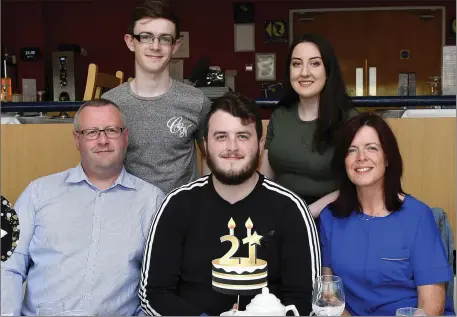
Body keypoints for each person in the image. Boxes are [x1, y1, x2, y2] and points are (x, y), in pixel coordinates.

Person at [139, 92, 321, 316]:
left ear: (260, 143)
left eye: (243, 136)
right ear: (205, 144)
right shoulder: (177, 204)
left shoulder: (291, 209)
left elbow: (306, 299)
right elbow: (154, 294)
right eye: (221, 136)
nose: (232, 147)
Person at [0, 99, 165, 316]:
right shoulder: (37, 193)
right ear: (77, 140)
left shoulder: (153, 202)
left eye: (111, 130)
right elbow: (7, 265)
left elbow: (163, 284)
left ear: (125, 137)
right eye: (92, 132)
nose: (103, 140)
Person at [319, 113, 455, 316]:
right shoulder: (330, 218)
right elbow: (330, 296)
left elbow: (431, 306)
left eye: (371, 148)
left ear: (388, 157)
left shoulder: (418, 217)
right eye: (351, 150)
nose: (361, 157)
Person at [102, 0, 211, 194]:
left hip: (180, 214)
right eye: (146, 37)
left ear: (175, 46)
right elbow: (100, 166)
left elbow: (210, 156)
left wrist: (205, 201)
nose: (155, 46)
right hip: (127, 214)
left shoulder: (196, 101)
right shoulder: (110, 104)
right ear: (130, 42)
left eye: (165, 39)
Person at [259, 33, 356, 217]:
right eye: (296, 64)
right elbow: (265, 179)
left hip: (331, 216)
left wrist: (304, 214)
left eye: (314, 63)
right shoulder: (280, 116)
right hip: (282, 215)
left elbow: (353, 184)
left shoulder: (348, 119)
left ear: (328, 70)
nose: (304, 72)